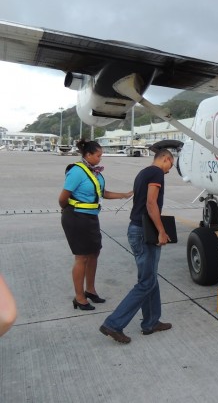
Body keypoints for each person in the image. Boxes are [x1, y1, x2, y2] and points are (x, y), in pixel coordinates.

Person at [99, 149, 175, 344]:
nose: (169, 170)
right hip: (144, 232)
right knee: (146, 282)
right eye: (170, 165)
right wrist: (161, 230)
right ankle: (113, 324)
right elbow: (151, 203)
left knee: (150, 278)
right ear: (165, 159)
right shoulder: (156, 173)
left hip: (137, 230)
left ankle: (151, 322)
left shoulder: (143, 172)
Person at [58, 139, 133, 311]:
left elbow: (103, 193)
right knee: (82, 257)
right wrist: (69, 210)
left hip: (91, 218)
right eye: (98, 155)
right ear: (88, 155)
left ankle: (90, 290)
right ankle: (79, 297)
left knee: (94, 254)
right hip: (76, 218)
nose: (100, 158)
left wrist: (124, 194)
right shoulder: (77, 171)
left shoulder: (95, 173)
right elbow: (63, 198)